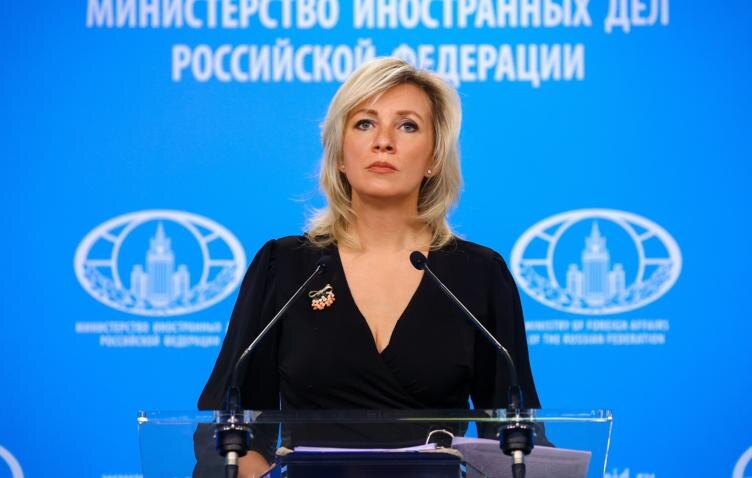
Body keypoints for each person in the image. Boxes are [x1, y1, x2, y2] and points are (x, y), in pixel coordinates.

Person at [195, 57, 542, 478]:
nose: (383, 142)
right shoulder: (284, 266)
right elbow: (226, 426)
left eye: (407, 125)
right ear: (340, 154)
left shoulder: (479, 274)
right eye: (364, 123)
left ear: (434, 158)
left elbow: (515, 434)